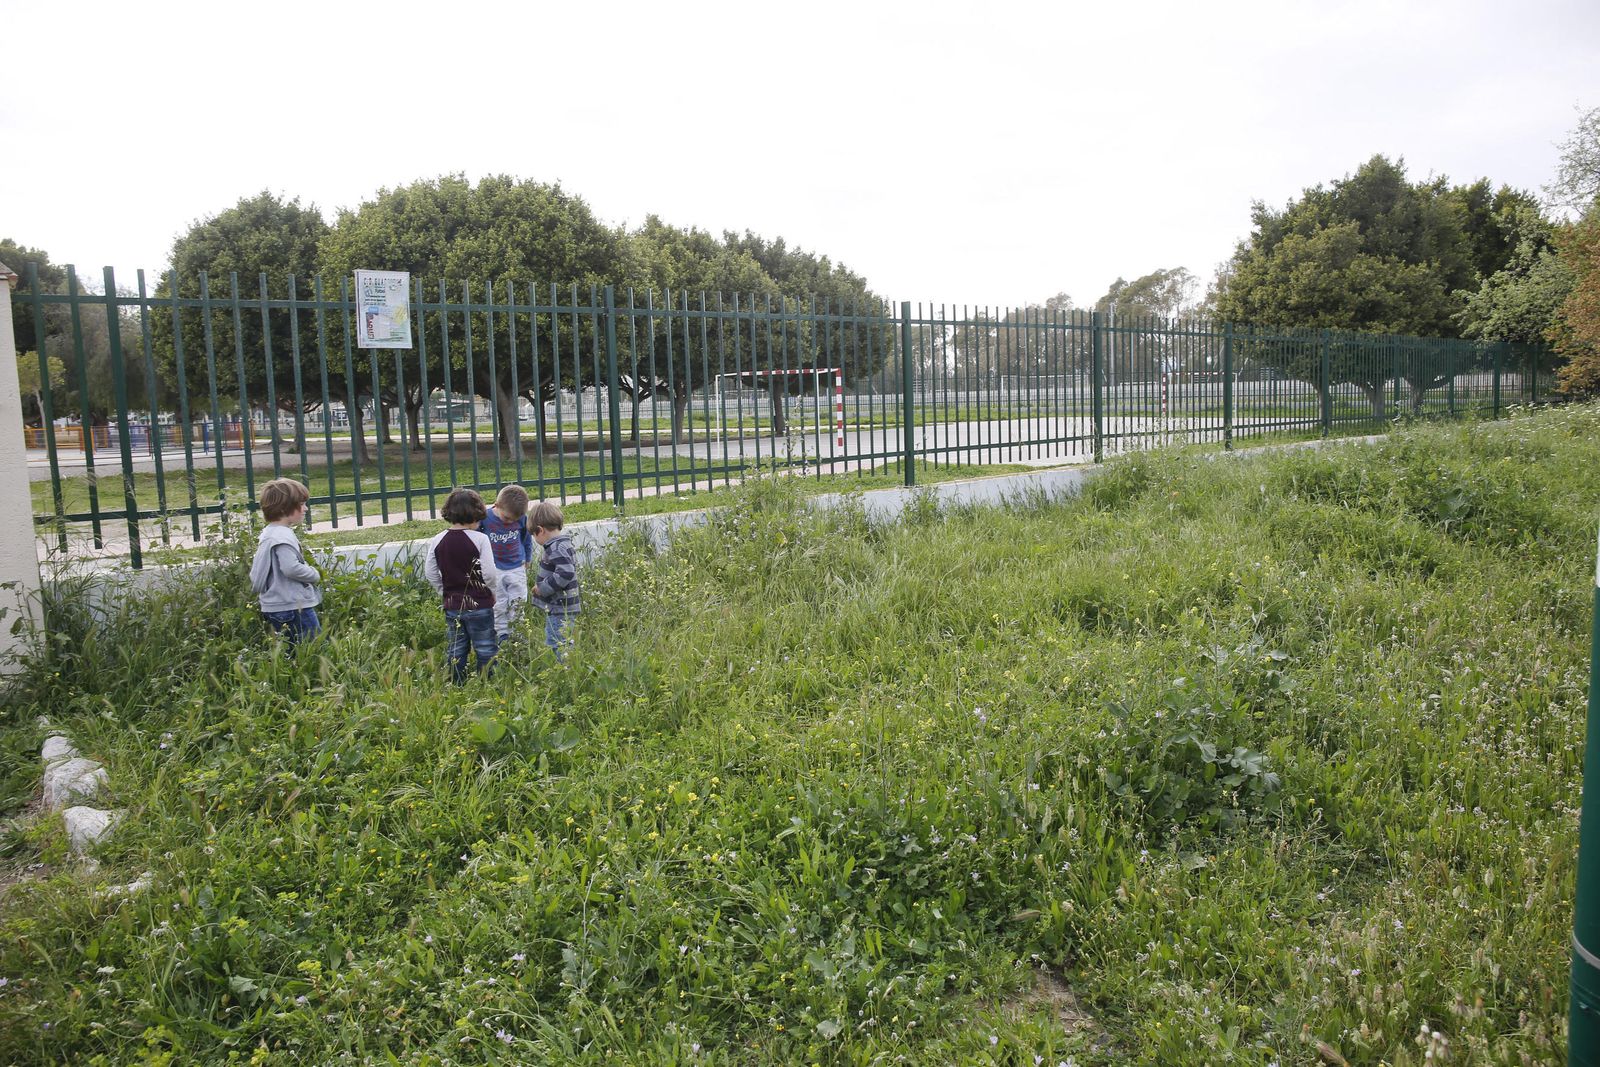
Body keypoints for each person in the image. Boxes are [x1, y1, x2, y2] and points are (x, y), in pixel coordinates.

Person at [424, 488, 500, 683]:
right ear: (477, 513)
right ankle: (487, 682)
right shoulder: (481, 539)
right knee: (485, 647)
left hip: (453, 605)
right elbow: (490, 573)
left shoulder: (438, 539)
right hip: (480, 604)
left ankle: (457, 683)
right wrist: (492, 591)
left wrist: (444, 591)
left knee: (456, 648)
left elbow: (430, 572)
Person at [249, 478, 323, 650]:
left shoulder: (269, 533)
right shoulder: (282, 536)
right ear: (284, 508)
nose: (306, 508)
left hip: (275, 606)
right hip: (292, 605)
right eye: (302, 504)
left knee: (288, 652)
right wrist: (314, 574)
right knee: (312, 650)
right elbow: (290, 568)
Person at [479, 484, 533, 643]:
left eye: (514, 520)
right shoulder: (486, 518)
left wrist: (528, 558)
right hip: (495, 568)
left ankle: (518, 634)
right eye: (507, 518)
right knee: (499, 603)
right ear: (497, 505)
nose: (510, 522)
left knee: (518, 602)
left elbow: (526, 538)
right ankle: (502, 635)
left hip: (517, 566)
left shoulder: (522, 518)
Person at [528, 501, 580, 660]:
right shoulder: (563, 543)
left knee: (557, 641)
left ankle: (566, 669)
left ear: (540, 530)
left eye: (533, 534)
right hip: (562, 605)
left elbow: (565, 573)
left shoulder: (555, 548)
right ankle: (568, 667)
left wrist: (542, 588)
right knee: (561, 639)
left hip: (560, 606)